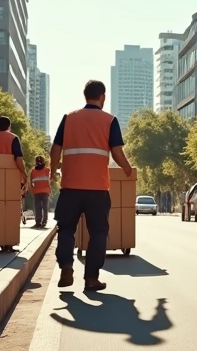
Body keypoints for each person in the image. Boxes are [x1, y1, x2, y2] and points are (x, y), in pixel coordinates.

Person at [50, 79, 133, 292]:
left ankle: (66, 266)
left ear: (85, 95)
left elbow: (55, 149)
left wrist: (53, 171)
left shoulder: (69, 118)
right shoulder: (109, 120)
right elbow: (116, 152)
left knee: (66, 229)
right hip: (97, 188)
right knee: (98, 232)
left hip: (70, 186)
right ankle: (91, 278)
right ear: (102, 96)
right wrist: (128, 169)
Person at [0, 116, 27, 193]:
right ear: (9, 126)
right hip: (8, 175)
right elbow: (18, 159)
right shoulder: (13, 137)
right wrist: (24, 175)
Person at [29, 156, 52, 228]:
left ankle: (38, 222)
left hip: (37, 192)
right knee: (45, 207)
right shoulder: (47, 170)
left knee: (38, 207)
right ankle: (44, 222)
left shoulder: (33, 171)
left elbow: (30, 182)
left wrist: (32, 189)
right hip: (45, 192)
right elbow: (51, 178)